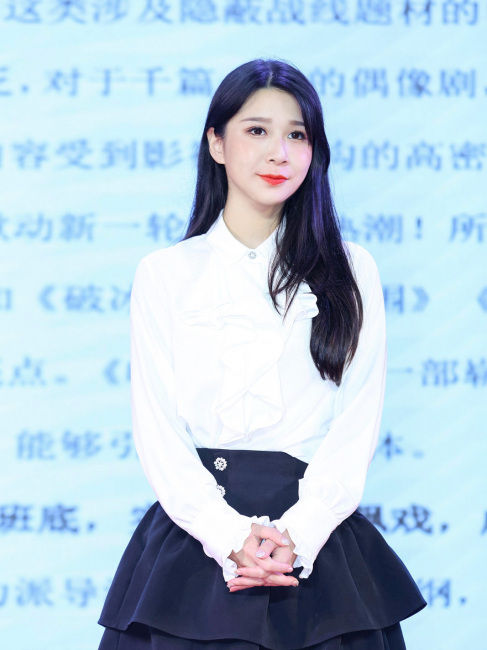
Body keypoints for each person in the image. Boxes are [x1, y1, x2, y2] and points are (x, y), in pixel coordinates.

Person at [97, 58, 426, 650]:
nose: (280, 152)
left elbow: (356, 423)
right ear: (216, 143)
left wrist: (296, 536)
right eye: (257, 130)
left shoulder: (352, 269)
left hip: (317, 548)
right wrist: (228, 536)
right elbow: (158, 430)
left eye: (297, 135)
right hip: (194, 548)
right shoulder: (166, 273)